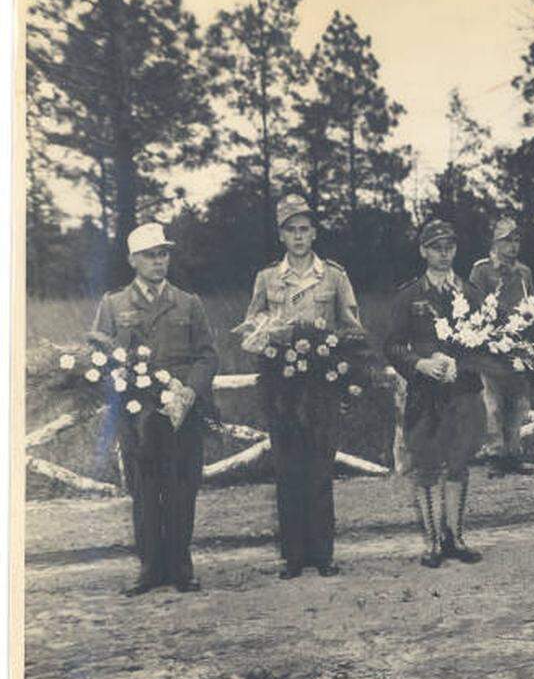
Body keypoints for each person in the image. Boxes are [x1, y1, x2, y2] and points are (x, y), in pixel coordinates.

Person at [238, 194, 365, 579]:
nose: (298, 236)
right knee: (289, 468)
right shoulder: (267, 278)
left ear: (315, 232)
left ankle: (322, 553)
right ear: (281, 235)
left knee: (320, 468)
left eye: (304, 229)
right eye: (291, 229)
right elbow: (251, 325)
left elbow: (352, 329)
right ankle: (293, 555)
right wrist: (267, 336)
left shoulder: (334, 276)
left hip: (322, 385)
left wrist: (335, 353)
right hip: (282, 387)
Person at [90, 222, 218, 596]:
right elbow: (98, 356)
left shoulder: (188, 302)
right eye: (150, 255)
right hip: (136, 415)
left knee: (181, 488)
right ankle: (149, 567)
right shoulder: (113, 304)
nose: (159, 261)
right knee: (144, 490)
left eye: (163, 253)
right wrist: (117, 383)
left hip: (180, 414)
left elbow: (208, 355)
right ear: (133, 260)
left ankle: (180, 564)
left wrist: (191, 391)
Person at [387, 219, 487, 568]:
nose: (443, 254)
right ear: (423, 251)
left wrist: (465, 362)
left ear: (456, 250)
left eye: (449, 247)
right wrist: (418, 364)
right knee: (427, 464)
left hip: (462, 393)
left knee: (459, 461)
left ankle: (456, 537)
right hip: (425, 396)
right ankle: (432, 542)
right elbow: (393, 346)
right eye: (435, 248)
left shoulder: (472, 294)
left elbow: (489, 343)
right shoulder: (409, 295)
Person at [469, 216, 534, 478]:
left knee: (518, 400)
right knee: (493, 401)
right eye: (507, 240)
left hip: (518, 345)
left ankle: (514, 453)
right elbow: (473, 305)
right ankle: (495, 453)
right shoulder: (482, 270)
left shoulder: (524, 272)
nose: (513, 246)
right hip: (492, 344)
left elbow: (531, 305)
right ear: (495, 243)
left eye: (517, 240)